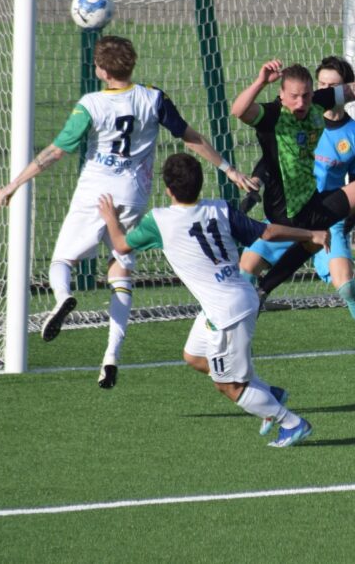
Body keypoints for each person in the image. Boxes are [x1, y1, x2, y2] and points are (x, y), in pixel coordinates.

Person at [0, 35, 257, 389]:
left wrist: (14, 184)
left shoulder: (90, 104)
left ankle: (62, 296)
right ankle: (111, 355)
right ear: (131, 65)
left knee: (63, 260)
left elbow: (56, 151)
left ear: (102, 71)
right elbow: (189, 136)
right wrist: (229, 169)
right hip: (132, 195)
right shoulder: (153, 97)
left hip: (95, 192)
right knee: (120, 271)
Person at [98, 153, 327, 447]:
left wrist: (110, 217)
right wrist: (310, 233)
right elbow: (268, 232)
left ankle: (291, 423)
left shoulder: (160, 221)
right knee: (194, 356)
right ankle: (268, 394)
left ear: (168, 189)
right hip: (232, 298)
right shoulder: (220, 209)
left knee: (228, 386)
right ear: (201, 183)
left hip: (227, 313)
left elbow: (120, 245)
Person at [229, 59, 355, 307]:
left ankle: (261, 292)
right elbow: (239, 111)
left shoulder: (323, 108)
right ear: (281, 94)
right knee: (294, 246)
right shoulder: (273, 116)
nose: (301, 102)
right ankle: (251, 296)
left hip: (315, 203)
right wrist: (260, 82)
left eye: (307, 95)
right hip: (284, 212)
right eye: (294, 96)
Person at [246, 57, 355, 364]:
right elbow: (272, 158)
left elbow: (354, 187)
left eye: (331, 86)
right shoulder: (299, 117)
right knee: (246, 269)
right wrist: (255, 181)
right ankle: (237, 341)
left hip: (328, 218)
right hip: (289, 213)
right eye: (320, 84)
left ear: (344, 90)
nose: (322, 91)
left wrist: (351, 217)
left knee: (345, 286)